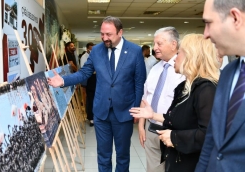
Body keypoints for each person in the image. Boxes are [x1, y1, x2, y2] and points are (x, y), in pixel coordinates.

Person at [48, 16, 146, 172]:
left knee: (122, 156)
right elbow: (84, 73)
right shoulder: (97, 51)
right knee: (103, 155)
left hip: (124, 111)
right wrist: (63, 81)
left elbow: (139, 82)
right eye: (102, 34)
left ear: (120, 32)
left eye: (109, 34)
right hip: (101, 113)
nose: (104, 38)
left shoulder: (134, 51)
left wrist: (136, 109)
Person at [131, 33, 220, 172]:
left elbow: (209, 134)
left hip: (192, 162)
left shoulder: (206, 90)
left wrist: (174, 137)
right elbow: (175, 118)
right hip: (177, 156)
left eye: (179, 53)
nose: (175, 59)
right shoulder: (184, 86)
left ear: (191, 57)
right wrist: (152, 115)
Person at [195, 0, 245, 171]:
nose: (205, 35)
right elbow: (211, 141)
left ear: (235, 18)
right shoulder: (228, 73)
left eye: (208, 23)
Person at [137, 26, 185, 172]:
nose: (155, 48)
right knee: (153, 169)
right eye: (154, 44)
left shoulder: (185, 69)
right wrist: (141, 126)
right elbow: (145, 98)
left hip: (173, 131)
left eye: (159, 44)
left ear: (173, 44)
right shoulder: (155, 69)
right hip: (151, 129)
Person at [80, 42, 95, 126]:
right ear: (87, 49)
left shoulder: (96, 56)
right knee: (90, 99)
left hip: (96, 80)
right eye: (91, 49)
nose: (92, 51)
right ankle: (91, 118)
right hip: (89, 80)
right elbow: (83, 70)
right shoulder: (84, 57)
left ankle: (95, 117)